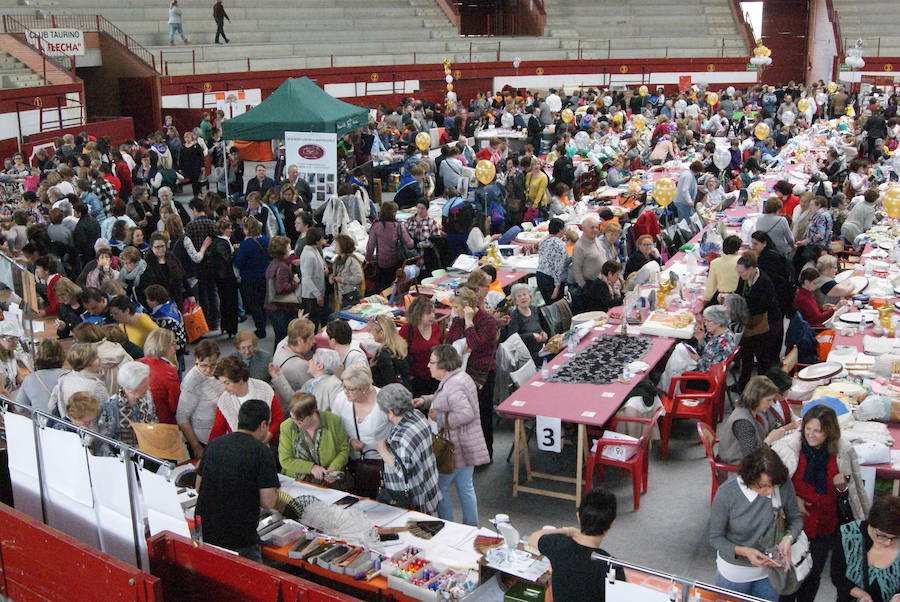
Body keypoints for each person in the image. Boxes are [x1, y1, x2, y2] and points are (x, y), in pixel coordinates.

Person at [772, 405, 870, 602]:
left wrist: (841, 488)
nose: (811, 435)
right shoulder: (788, 450)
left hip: (825, 527)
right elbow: (772, 487)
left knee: (812, 575)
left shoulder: (842, 452)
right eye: (808, 429)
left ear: (829, 431)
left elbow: (851, 495)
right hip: (794, 528)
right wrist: (793, 500)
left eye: (818, 431)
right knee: (789, 578)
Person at [709, 447, 803, 601]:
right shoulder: (727, 493)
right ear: (749, 478)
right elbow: (715, 538)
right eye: (764, 486)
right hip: (734, 574)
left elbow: (796, 519)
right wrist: (744, 551)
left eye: (774, 485)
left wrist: (788, 538)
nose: (771, 491)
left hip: (771, 572)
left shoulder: (783, 485)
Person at [195, 399, 279, 562]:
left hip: (205, 532)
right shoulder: (261, 452)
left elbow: (198, 487)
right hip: (239, 537)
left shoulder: (214, 444)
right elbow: (268, 501)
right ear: (263, 425)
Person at [418, 345, 489, 525]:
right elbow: (446, 400)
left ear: (443, 365)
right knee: (465, 486)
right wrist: (426, 401)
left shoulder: (454, 385)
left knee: (439, 487)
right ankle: (471, 526)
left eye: (432, 362)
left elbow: (465, 414)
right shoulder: (459, 377)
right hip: (467, 444)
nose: (428, 365)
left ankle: (447, 526)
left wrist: (440, 417)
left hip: (454, 448)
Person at [528, 487, 625, 601]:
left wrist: (566, 530)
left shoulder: (557, 545)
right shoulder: (611, 565)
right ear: (611, 524)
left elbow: (533, 538)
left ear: (578, 516)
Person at [445, 285, 498, 459]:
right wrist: (463, 342)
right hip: (462, 373)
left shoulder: (487, 321)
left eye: (456, 307)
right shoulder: (456, 320)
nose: (454, 311)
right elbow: (449, 342)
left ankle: (486, 454)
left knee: (482, 413)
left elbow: (475, 345)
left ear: (467, 306)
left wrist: (469, 324)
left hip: (481, 374)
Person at [375, 384, 441, 514]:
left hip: (412, 498)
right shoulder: (417, 415)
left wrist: (382, 450)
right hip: (428, 484)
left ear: (390, 411)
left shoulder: (400, 437)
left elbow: (402, 471)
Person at [331, 365, 389, 498]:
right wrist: (349, 441)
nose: (345, 391)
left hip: (379, 465)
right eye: (344, 386)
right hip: (352, 464)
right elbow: (335, 427)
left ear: (365, 388)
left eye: (350, 389)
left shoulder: (384, 400)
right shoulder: (341, 399)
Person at [717, 376, 799, 464]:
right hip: (739, 464)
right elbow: (751, 457)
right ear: (756, 398)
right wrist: (770, 439)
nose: (772, 403)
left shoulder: (756, 410)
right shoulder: (742, 422)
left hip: (757, 455)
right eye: (769, 400)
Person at [657, 304, 738, 394]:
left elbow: (709, 368)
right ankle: (666, 385)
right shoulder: (722, 334)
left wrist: (697, 358)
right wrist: (701, 339)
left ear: (718, 322)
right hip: (705, 371)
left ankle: (667, 390)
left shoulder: (723, 342)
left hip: (704, 380)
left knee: (677, 356)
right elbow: (709, 353)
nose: (705, 324)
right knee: (679, 353)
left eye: (707, 321)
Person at [834, 495, 900, 602]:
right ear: (872, 524)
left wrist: (898, 596)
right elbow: (837, 575)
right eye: (882, 536)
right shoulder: (848, 534)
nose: (888, 543)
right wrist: (860, 594)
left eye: (894, 538)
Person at [278, 393, 350, 489]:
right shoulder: (286, 426)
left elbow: (343, 450)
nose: (295, 423)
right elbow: (285, 460)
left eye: (300, 420)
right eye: (292, 417)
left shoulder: (333, 421)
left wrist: (334, 467)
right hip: (297, 481)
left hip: (329, 483)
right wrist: (311, 468)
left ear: (312, 413)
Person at [733, 252, 783, 390]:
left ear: (751, 268)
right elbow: (739, 293)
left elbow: (759, 307)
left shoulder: (764, 282)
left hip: (767, 324)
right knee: (746, 354)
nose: (740, 275)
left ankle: (763, 389)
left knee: (763, 357)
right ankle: (743, 385)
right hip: (752, 322)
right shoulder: (745, 278)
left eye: (742, 272)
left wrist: (738, 306)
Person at [209, 355, 282, 444]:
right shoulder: (224, 400)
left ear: (239, 379)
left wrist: (265, 438)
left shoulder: (264, 389)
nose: (224, 388)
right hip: (240, 448)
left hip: (269, 443)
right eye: (222, 383)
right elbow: (217, 431)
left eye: (227, 383)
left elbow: (278, 418)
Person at [177, 339, 223, 459]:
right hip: (203, 441)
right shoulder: (191, 383)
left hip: (220, 436)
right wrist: (196, 446)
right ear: (196, 361)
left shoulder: (220, 370)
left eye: (213, 364)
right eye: (203, 365)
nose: (208, 370)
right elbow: (181, 418)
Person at [105, 361, 158, 446]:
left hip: (148, 450)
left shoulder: (147, 396)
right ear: (131, 388)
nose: (148, 388)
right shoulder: (111, 407)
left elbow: (153, 418)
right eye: (144, 386)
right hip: (124, 455)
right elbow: (106, 441)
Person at [49, 343, 109, 418]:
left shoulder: (63, 379)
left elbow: (51, 406)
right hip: (89, 428)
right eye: (96, 357)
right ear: (87, 362)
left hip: (68, 425)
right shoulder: (96, 387)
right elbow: (108, 414)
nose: (100, 358)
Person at [233, 216, 270, 339]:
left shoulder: (245, 244)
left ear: (247, 229)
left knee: (254, 304)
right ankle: (263, 325)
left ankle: (260, 329)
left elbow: (239, 263)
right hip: (265, 276)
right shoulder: (266, 240)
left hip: (250, 278)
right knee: (263, 302)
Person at [366, 202, 414, 292]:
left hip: (381, 263)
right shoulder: (398, 225)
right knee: (394, 287)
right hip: (396, 262)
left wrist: (368, 259)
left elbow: (370, 246)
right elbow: (410, 244)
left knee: (383, 287)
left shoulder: (376, 226)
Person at [399, 295, 442, 396]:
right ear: (418, 314)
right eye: (428, 313)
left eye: (433, 312)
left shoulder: (435, 326)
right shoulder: (407, 330)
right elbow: (400, 354)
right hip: (416, 380)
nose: (433, 316)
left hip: (436, 377)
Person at [267, 317, 315, 407]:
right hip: (294, 410)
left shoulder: (281, 345)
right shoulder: (301, 366)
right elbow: (313, 393)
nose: (314, 341)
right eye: (311, 338)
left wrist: (300, 322)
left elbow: (291, 334)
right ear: (300, 340)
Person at [137, 328, 180, 425]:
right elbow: (175, 405)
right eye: (173, 344)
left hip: (140, 422)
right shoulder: (169, 371)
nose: (176, 347)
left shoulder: (137, 363)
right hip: (163, 422)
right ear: (163, 347)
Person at [264, 235, 301, 342]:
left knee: (279, 338)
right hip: (281, 308)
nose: (290, 249)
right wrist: (295, 281)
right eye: (288, 247)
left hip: (273, 306)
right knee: (284, 338)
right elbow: (282, 288)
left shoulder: (273, 263)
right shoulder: (282, 267)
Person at [207, 218, 239, 337]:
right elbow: (227, 259)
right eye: (228, 228)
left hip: (222, 277)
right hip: (227, 278)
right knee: (230, 303)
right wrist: (235, 251)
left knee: (225, 303)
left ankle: (226, 327)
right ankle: (231, 327)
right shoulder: (222, 243)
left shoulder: (220, 241)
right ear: (222, 230)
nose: (231, 230)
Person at [501, 283, 548, 364]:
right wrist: (532, 336)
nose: (523, 297)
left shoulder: (534, 309)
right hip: (527, 355)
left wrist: (542, 332)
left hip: (542, 348)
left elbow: (538, 326)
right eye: (519, 296)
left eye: (524, 294)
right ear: (515, 301)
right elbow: (512, 338)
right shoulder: (515, 316)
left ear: (530, 297)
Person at [16, 339, 65, 414]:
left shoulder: (30, 379)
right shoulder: (69, 376)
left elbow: (19, 407)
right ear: (61, 354)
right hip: (68, 423)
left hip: (42, 423)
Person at [368, 314, 411, 389]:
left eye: (372, 330)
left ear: (381, 333)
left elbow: (387, 381)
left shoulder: (384, 354)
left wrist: (372, 368)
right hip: (405, 388)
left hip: (391, 394)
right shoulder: (401, 344)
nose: (371, 333)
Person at [569, 215, 605, 301]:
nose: (595, 230)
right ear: (583, 229)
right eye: (592, 228)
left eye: (597, 227)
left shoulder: (596, 240)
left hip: (600, 283)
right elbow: (576, 268)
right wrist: (584, 287)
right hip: (589, 286)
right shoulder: (579, 246)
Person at [298, 228, 327, 329]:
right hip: (311, 295)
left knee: (318, 319)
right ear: (317, 240)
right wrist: (318, 295)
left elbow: (320, 264)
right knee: (312, 324)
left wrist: (324, 269)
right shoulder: (309, 255)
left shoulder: (314, 250)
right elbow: (307, 278)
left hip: (317, 291)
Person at [536, 218, 569, 304]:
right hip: (551, 280)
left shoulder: (544, 240)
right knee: (555, 307)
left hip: (540, 275)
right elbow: (558, 268)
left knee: (548, 305)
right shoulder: (560, 245)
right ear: (560, 229)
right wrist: (557, 288)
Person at [330, 233, 364, 309]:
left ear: (343, 246)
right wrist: (332, 277)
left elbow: (358, 278)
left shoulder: (352, 260)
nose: (335, 247)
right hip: (341, 296)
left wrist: (342, 279)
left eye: (337, 245)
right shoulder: (337, 260)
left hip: (350, 296)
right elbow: (336, 273)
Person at [704, 235, 742, 302]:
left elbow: (711, 285)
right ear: (738, 249)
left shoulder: (715, 263)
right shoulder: (742, 260)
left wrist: (706, 298)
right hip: (739, 296)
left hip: (722, 298)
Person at [305, 348, 343, 412]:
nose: (308, 361)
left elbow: (337, 413)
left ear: (320, 366)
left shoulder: (335, 385)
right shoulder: (309, 383)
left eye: (312, 359)